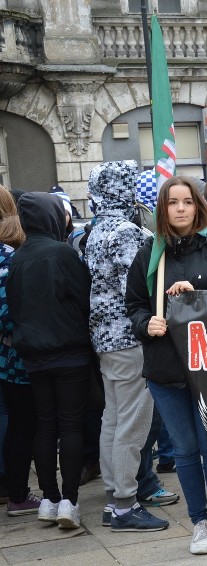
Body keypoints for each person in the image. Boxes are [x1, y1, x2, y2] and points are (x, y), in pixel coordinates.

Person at [126, 176, 207, 555]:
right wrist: (148, 323)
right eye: (173, 202)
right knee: (184, 449)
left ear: (198, 207)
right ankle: (200, 523)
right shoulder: (150, 253)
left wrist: (199, 298)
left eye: (187, 202)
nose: (180, 208)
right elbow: (133, 306)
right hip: (165, 368)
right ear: (163, 209)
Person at [85, 161, 169, 532]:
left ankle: (113, 497)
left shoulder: (95, 231)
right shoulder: (128, 233)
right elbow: (135, 290)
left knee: (113, 420)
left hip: (104, 339)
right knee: (132, 426)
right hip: (131, 339)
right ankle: (123, 504)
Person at [7, 192, 94, 529]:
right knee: (70, 424)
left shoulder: (19, 257)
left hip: (33, 355)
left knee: (45, 424)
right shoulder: (62, 253)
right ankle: (68, 501)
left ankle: (48, 498)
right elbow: (85, 299)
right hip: (69, 352)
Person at [0, 187, 41, 517]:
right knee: (23, 423)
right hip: (14, 357)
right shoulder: (6, 256)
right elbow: (8, 311)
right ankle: (16, 493)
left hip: (7, 355)